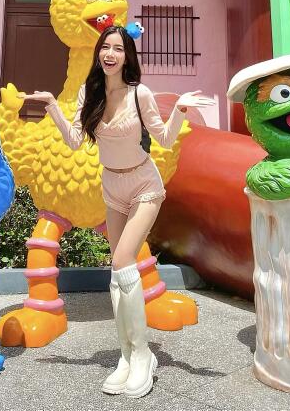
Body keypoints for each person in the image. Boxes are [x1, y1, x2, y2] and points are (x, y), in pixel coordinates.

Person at [23, 25, 214, 398]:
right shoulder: (90, 93)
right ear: (99, 53)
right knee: (118, 269)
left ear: (127, 57)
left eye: (118, 48)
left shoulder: (139, 93)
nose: (110, 54)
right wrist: (52, 107)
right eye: (105, 47)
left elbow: (164, 139)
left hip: (144, 184)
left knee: (125, 258)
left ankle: (143, 354)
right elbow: (74, 141)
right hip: (112, 186)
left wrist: (180, 109)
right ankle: (126, 354)